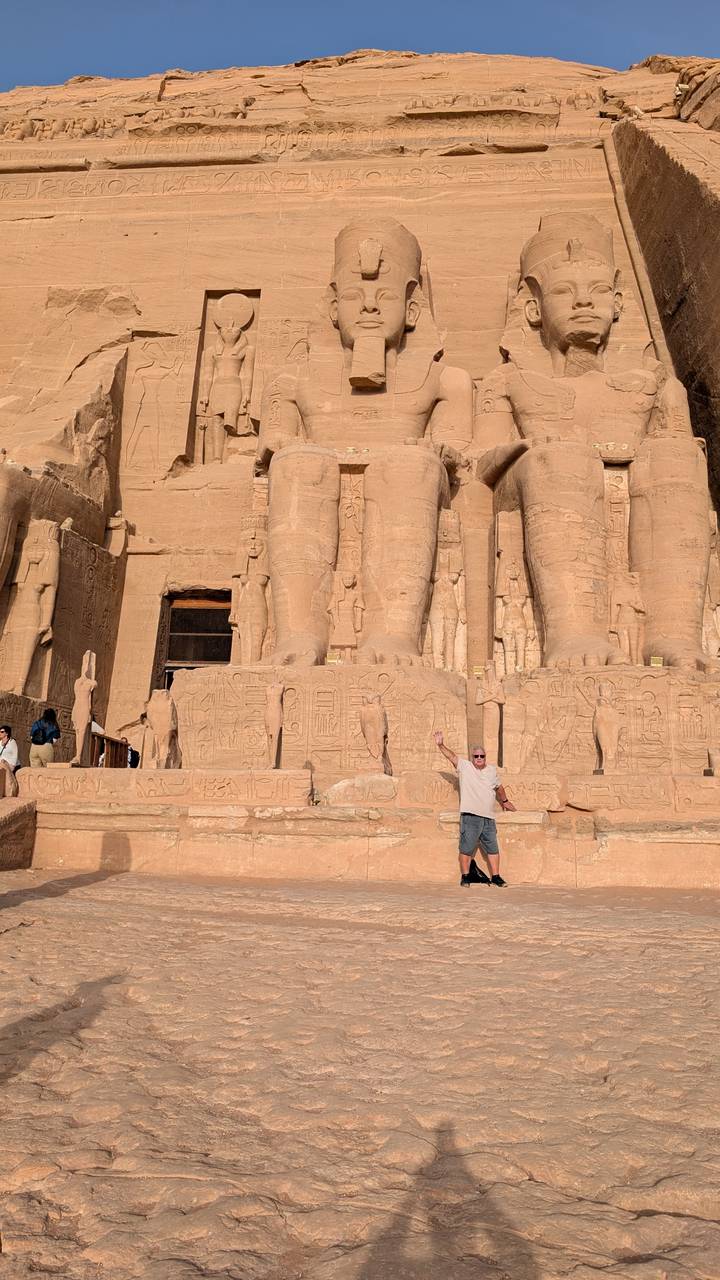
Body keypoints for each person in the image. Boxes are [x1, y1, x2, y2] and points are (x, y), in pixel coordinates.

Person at [433, 730, 515, 887]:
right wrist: (441, 744)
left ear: (485, 758)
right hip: (470, 816)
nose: (479, 758)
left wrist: (505, 801)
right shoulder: (465, 767)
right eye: (476, 756)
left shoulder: (491, 770)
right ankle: (465, 876)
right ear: (472, 758)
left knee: (492, 848)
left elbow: (499, 787)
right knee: (466, 847)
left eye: (481, 756)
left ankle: (496, 876)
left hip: (488, 818)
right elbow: (451, 756)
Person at [0, 724, 19, 796]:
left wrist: (12, 766)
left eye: (2, 732)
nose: (0, 733)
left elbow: (15, 755)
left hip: (11, 765)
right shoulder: (0, 743)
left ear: (7, 733)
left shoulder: (12, 742)